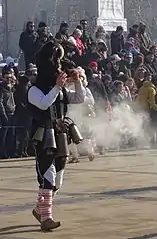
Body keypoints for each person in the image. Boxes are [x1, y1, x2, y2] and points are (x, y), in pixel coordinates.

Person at [28, 41, 85, 231]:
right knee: (48, 175)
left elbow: (79, 98)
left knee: (58, 178)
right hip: (43, 134)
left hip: (60, 132)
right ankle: (46, 218)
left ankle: (39, 208)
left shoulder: (59, 90)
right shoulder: (33, 90)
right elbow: (44, 104)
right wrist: (58, 87)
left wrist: (77, 81)